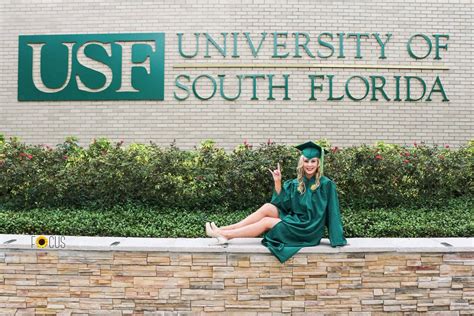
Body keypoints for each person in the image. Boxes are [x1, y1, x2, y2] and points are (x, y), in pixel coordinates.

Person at [205, 141, 348, 263]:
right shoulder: (297, 183)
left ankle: (226, 236)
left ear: (318, 163)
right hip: (297, 221)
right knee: (268, 207)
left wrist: (337, 239)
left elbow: (333, 212)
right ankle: (223, 229)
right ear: (301, 162)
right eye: (306, 161)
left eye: (313, 161)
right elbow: (283, 203)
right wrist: (277, 182)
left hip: (308, 229)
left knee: (267, 221)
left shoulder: (326, 184)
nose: (309, 165)